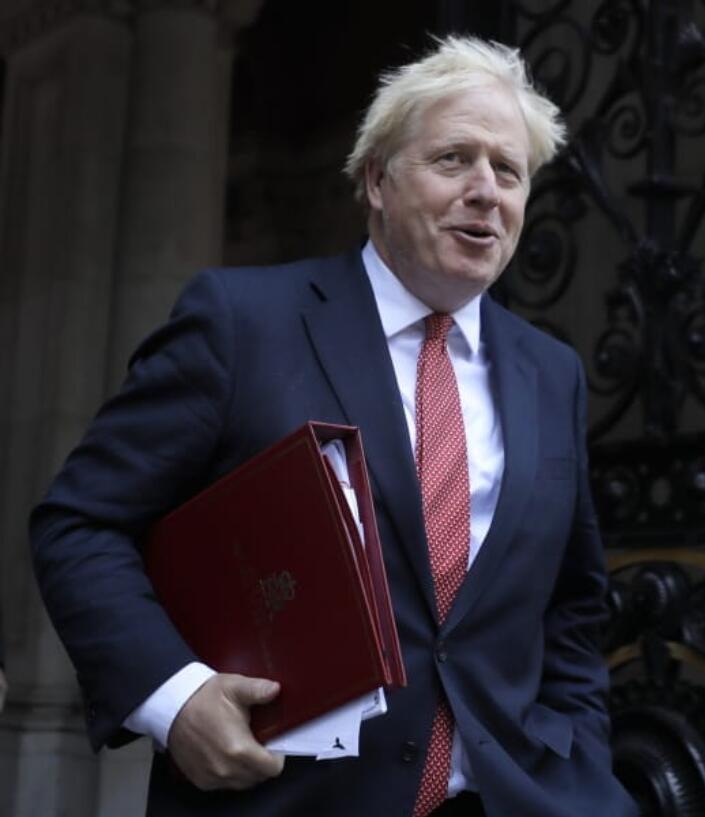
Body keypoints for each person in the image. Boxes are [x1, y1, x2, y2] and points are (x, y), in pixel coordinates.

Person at [30, 36, 638, 817]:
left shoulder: (552, 375)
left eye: (509, 170)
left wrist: (578, 760)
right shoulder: (241, 324)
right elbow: (79, 524)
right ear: (377, 179)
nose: (487, 189)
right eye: (454, 159)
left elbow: (572, 606)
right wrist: (176, 698)